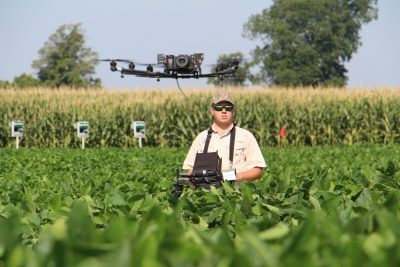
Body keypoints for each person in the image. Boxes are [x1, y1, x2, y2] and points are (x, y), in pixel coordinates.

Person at [182, 90, 266, 182]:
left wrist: (237, 176)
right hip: (207, 194)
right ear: (212, 111)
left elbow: (258, 169)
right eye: (218, 107)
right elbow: (190, 169)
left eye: (228, 107)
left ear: (233, 110)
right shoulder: (201, 138)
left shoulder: (246, 136)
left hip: (238, 193)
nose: (224, 111)